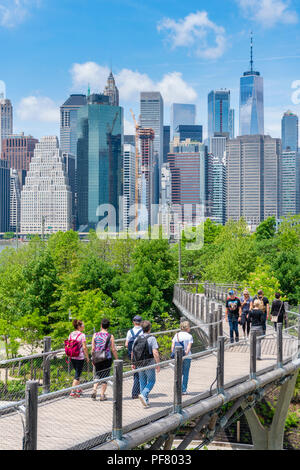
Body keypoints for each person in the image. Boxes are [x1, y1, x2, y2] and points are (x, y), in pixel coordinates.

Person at [131, 320, 160, 408]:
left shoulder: (137, 338)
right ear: (149, 328)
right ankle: (144, 394)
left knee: (142, 381)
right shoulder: (152, 338)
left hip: (139, 363)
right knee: (151, 381)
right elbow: (155, 352)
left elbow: (133, 351)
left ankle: (145, 400)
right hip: (149, 363)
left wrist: (133, 363)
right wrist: (158, 364)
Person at [91, 319, 118, 401]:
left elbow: (93, 348)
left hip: (97, 357)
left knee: (97, 374)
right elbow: (113, 349)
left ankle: (94, 389)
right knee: (105, 376)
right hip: (107, 358)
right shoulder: (110, 336)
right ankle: (102, 395)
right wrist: (117, 358)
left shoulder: (95, 335)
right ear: (108, 326)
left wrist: (93, 359)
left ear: (101, 325)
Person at [69, 319, 89, 398]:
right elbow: (84, 347)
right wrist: (87, 357)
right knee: (77, 375)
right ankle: (72, 392)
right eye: (83, 325)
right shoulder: (82, 335)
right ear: (79, 326)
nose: (84, 326)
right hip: (80, 357)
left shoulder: (71, 334)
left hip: (72, 356)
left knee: (78, 373)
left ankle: (78, 389)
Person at [171, 321, 193, 395]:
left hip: (178, 356)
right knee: (185, 374)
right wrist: (185, 354)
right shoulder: (189, 336)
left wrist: (177, 354)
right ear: (187, 328)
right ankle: (183, 390)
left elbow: (172, 347)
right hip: (187, 357)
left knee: (178, 373)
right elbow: (188, 348)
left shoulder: (176, 335)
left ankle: (177, 389)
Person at [125, 315, 143, 399]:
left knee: (136, 373)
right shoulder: (143, 331)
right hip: (141, 355)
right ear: (141, 322)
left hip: (132, 355)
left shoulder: (130, 332)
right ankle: (136, 392)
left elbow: (126, 344)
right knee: (140, 373)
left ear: (133, 322)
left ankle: (138, 391)